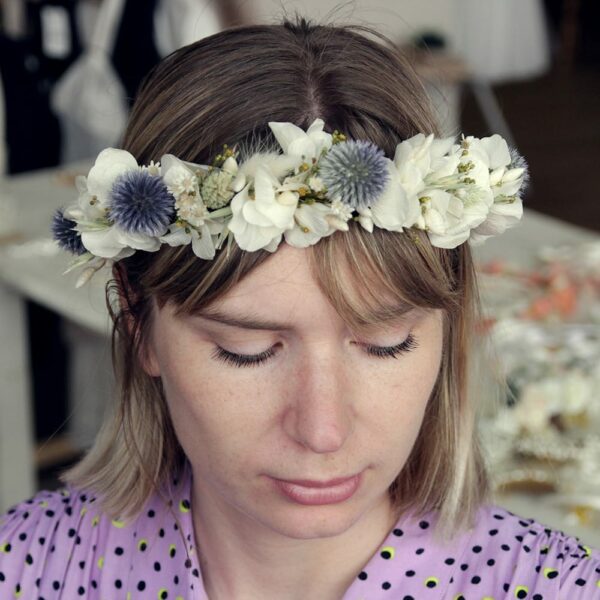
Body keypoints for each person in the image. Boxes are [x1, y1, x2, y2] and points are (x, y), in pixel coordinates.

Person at [1, 14, 599, 600]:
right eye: (248, 352)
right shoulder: (26, 566)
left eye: (385, 343)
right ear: (138, 324)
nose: (322, 431)